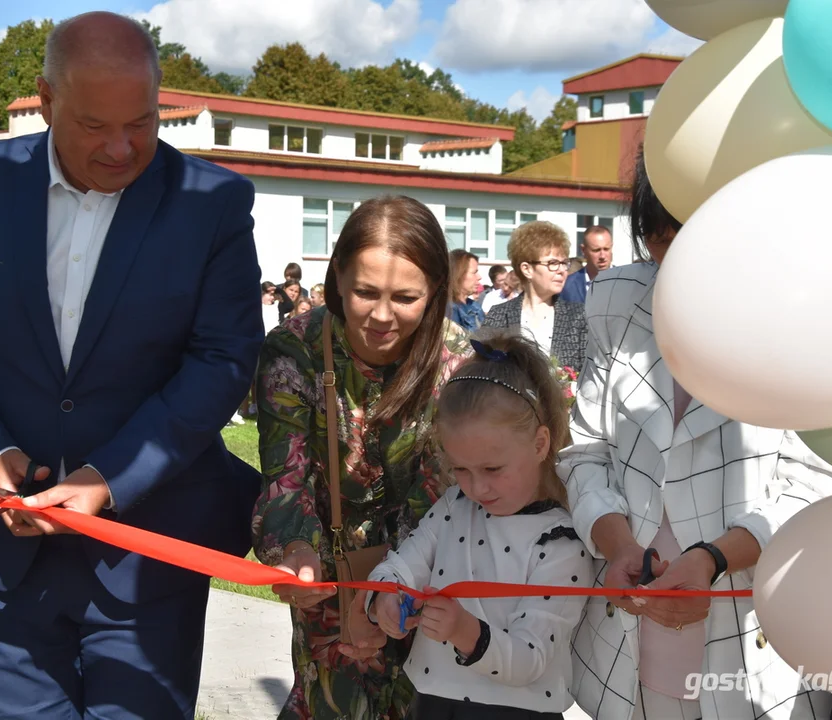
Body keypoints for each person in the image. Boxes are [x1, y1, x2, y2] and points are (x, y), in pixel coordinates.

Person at [0, 12, 263, 720]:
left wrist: (109, 480)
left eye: (143, 122)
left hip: (151, 554)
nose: (122, 149)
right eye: (93, 125)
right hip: (7, 557)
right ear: (46, 100)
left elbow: (222, 359)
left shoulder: (213, 204)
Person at [557, 147, 832, 720]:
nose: (678, 259)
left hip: (753, 643)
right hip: (623, 642)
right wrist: (616, 545)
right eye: (662, 239)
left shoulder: (802, 316)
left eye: (695, 235)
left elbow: (814, 481)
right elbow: (586, 450)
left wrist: (713, 558)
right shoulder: (618, 300)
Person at [252, 195, 473, 720]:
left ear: (436, 291)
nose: (381, 316)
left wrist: (390, 592)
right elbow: (286, 472)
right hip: (327, 573)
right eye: (365, 292)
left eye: (405, 298)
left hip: (426, 572)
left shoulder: (456, 361)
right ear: (336, 279)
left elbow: (442, 493)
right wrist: (294, 551)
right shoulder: (294, 350)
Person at [365, 332, 592, 720]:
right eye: (461, 470)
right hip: (433, 703)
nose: (477, 487)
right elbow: (402, 565)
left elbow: (531, 658)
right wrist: (384, 598)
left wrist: (465, 631)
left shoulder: (562, 543)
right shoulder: (456, 506)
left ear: (540, 444)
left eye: (492, 469)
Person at [483, 222, 587, 373]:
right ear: (527, 269)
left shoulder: (578, 316)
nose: (562, 270)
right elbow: (483, 373)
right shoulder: (498, 315)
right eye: (552, 263)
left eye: (564, 263)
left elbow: (587, 377)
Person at [559, 226, 612, 304]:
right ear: (583, 250)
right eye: (596, 250)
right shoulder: (567, 287)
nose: (602, 256)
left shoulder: (628, 284)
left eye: (606, 249)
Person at [448, 249, 485, 332]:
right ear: (459, 274)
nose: (479, 277)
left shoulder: (475, 307)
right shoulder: (448, 309)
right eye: (474, 272)